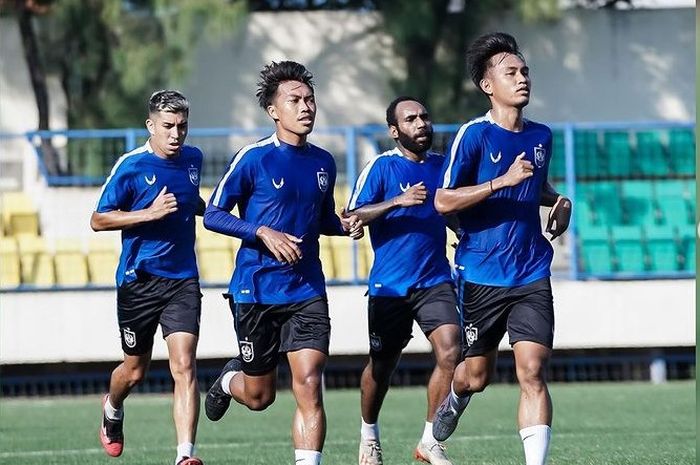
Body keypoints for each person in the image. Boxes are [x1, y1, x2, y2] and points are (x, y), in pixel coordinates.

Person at [202, 61, 364, 465]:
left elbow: (324, 219)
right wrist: (261, 232)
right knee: (260, 397)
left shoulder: (324, 161)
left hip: (307, 290)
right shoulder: (253, 158)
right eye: (295, 100)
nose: (306, 106)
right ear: (274, 110)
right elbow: (213, 214)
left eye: (310, 99)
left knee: (309, 382)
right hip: (256, 290)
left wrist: (346, 226)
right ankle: (228, 380)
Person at [431, 32, 572, 465]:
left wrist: (558, 201)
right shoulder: (473, 135)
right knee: (476, 376)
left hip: (531, 272)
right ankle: (454, 399)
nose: (522, 78)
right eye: (510, 72)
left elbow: (535, 184)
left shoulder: (542, 136)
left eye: (524, 70)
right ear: (487, 85)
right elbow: (442, 200)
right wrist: (499, 181)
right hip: (481, 274)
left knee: (532, 370)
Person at [91, 90, 206, 465]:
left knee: (185, 364)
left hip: (182, 280)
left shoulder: (194, 159)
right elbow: (98, 219)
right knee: (135, 371)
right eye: (168, 126)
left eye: (183, 126)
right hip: (138, 281)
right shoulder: (131, 165)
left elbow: (191, 200)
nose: (176, 135)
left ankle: (184, 456)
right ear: (150, 126)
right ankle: (112, 407)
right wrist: (147, 214)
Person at [346, 97, 461, 465]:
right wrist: (399, 200)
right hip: (390, 286)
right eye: (411, 119)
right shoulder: (381, 167)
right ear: (395, 131)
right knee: (382, 367)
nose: (422, 123)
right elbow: (353, 215)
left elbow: (453, 208)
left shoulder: (444, 167)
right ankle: (368, 434)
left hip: (435, 280)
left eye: (425, 116)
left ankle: (429, 441)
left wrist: (464, 232)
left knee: (451, 349)